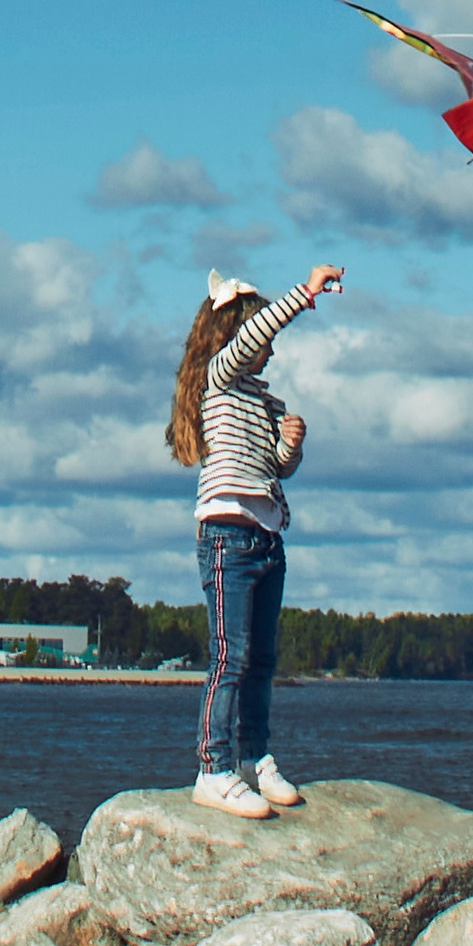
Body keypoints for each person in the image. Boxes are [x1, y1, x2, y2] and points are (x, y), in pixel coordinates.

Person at [167, 260, 342, 817]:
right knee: (230, 657)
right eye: (258, 331)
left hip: (266, 540)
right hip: (226, 538)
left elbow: (277, 470)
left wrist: (291, 444)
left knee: (262, 659)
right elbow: (256, 335)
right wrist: (307, 291)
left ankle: (256, 758)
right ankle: (213, 769)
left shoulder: (262, 401)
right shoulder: (221, 375)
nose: (269, 348)